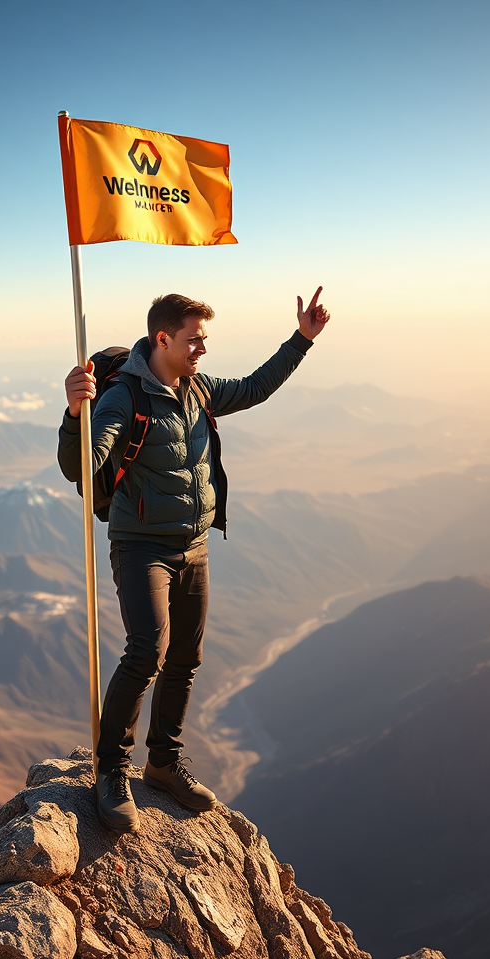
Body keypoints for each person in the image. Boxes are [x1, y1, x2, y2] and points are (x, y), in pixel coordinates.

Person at [58, 287, 330, 831]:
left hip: (194, 544)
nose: (202, 348)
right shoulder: (122, 399)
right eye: (194, 339)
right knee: (146, 651)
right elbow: (78, 469)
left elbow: (254, 387)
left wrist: (302, 341)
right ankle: (112, 770)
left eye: (204, 339)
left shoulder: (197, 389)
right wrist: (74, 413)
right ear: (163, 339)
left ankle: (163, 762)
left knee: (185, 656)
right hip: (141, 547)